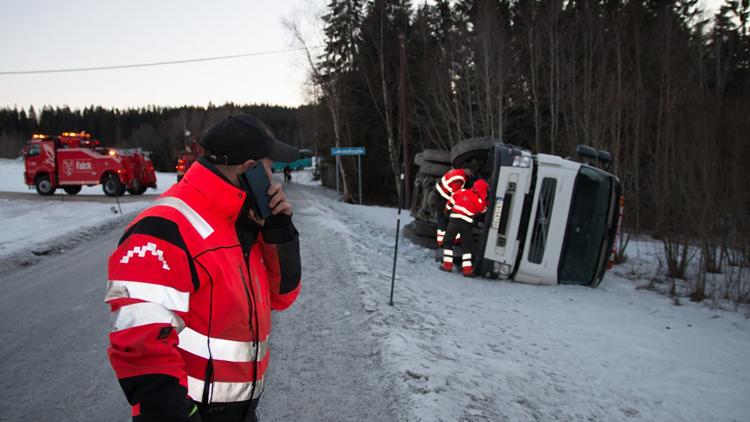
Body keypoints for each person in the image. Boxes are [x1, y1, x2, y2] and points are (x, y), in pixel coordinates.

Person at [105, 114, 302, 422]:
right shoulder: (163, 229)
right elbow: (139, 347)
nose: (274, 176)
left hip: (243, 411)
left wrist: (279, 231)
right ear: (249, 170)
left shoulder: (239, 221)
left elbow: (283, 296)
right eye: (269, 167)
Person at [440, 178, 489, 277]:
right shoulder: (479, 200)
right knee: (467, 247)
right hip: (466, 225)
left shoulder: (461, 192)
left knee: (448, 242)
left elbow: (449, 204)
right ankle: (467, 271)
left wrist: (447, 212)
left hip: (453, 222)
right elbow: (483, 211)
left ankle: (447, 266)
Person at [434, 166, 472, 247]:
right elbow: (455, 196)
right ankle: (443, 242)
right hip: (442, 197)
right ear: (467, 171)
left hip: (440, 193)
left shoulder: (458, 171)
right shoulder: (459, 179)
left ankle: (448, 240)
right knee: (445, 219)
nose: (471, 174)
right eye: (471, 173)